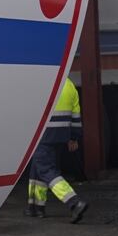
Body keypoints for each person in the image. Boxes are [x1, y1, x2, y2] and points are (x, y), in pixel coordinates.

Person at [27, 78, 89, 223]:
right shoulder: (69, 85)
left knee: (46, 170)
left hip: (43, 134)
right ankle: (36, 207)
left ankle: (74, 202)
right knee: (38, 168)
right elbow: (76, 116)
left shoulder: (41, 82)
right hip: (60, 135)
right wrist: (74, 138)